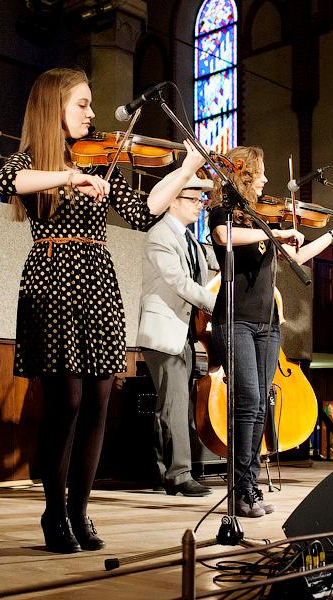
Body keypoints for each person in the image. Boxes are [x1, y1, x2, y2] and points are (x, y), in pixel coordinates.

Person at [0, 68, 171, 553]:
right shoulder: (36, 162)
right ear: (55, 107)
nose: (92, 115)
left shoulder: (99, 164)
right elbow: (7, 176)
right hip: (53, 279)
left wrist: (186, 169)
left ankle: (79, 513)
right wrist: (71, 174)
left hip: (97, 281)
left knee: (98, 401)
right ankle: (54, 513)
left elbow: (143, 210)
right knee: (66, 402)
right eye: (83, 104)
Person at [207, 146, 333, 518]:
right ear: (242, 175)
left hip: (266, 324)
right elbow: (224, 237)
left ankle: (251, 487)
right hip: (236, 319)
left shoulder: (261, 224)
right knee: (246, 405)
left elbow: (298, 258)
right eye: (259, 173)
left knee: (260, 407)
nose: (265, 180)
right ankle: (239, 490)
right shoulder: (226, 212)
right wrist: (276, 231)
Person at [137, 147, 218, 497]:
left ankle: (161, 470)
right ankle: (179, 475)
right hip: (163, 334)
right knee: (173, 405)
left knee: (170, 405)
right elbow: (181, 284)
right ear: (174, 200)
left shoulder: (191, 241)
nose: (200, 204)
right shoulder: (159, 236)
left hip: (184, 334)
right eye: (194, 198)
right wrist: (219, 304)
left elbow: (211, 270)